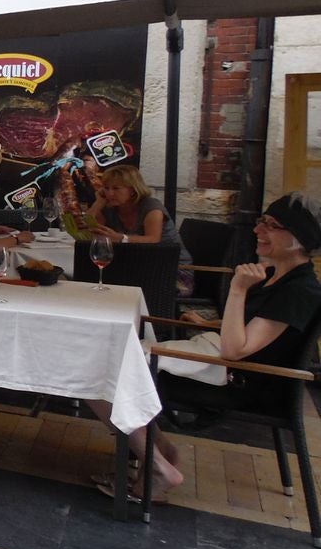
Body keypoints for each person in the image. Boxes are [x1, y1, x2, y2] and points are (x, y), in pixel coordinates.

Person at [89, 192, 321, 504]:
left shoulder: (299, 291)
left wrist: (238, 288)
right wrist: (211, 323)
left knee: (96, 375)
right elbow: (251, 332)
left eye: (271, 225)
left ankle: (159, 468)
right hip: (226, 366)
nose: (258, 230)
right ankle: (161, 452)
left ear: (297, 238)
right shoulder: (280, 276)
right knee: (111, 362)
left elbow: (236, 350)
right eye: (261, 222)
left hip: (239, 383)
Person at [86, 163, 193, 295]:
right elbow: (89, 229)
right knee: (92, 280)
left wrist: (121, 238)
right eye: (106, 188)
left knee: (108, 285)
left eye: (116, 188)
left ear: (132, 190)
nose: (110, 193)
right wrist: (98, 203)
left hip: (173, 272)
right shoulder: (111, 208)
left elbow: (153, 239)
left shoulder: (151, 207)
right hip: (140, 266)